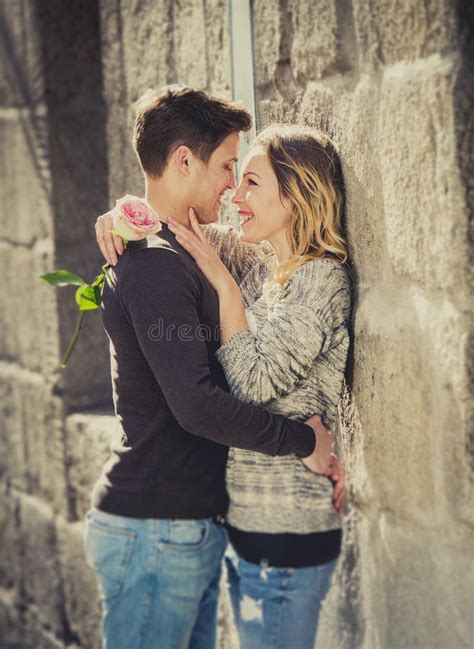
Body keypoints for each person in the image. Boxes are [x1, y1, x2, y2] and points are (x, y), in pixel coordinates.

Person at [86, 85, 336, 649]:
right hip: (155, 528)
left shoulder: (186, 248)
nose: (230, 183)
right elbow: (197, 404)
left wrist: (129, 214)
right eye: (227, 166)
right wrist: (304, 440)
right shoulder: (154, 267)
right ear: (182, 162)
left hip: (183, 528)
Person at [165, 125, 351, 648]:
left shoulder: (321, 280)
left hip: (288, 541)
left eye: (250, 183)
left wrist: (223, 285)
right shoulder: (265, 267)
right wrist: (119, 215)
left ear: (292, 197)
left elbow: (251, 381)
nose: (234, 196)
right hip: (245, 534)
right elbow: (174, 221)